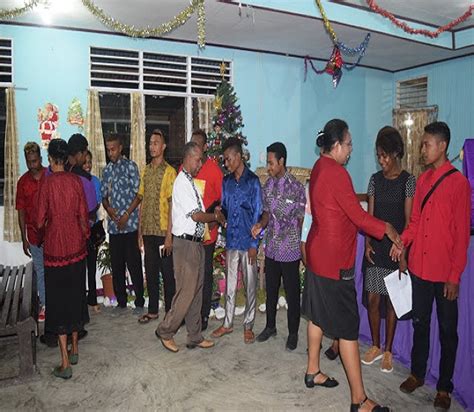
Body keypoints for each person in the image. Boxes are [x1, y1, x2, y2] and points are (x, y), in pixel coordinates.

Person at [303, 119, 401, 412]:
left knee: (318, 316)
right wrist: (388, 228)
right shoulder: (336, 173)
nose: (351, 149)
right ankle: (359, 400)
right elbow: (359, 218)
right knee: (347, 329)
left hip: (318, 253)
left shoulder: (319, 166)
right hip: (335, 261)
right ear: (335, 146)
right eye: (348, 144)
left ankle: (312, 371)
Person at [393, 122, 471, 411]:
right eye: (422, 144)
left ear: (442, 146)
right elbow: (414, 223)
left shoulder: (459, 184)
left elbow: (462, 236)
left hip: (444, 273)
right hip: (420, 269)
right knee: (420, 323)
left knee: (449, 331)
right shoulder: (422, 180)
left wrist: (454, 277)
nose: (422, 149)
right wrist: (401, 244)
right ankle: (417, 373)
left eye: (426, 144)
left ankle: (444, 388)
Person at [156, 142, 219, 352]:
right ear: (188, 157)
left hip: (196, 244)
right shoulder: (182, 182)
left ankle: (194, 335)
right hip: (185, 244)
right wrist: (216, 217)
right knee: (185, 292)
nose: (200, 163)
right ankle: (166, 330)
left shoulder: (190, 182)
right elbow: (197, 216)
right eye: (198, 159)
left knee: (197, 292)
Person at [362, 127, 416, 373]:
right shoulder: (375, 180)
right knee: (373, 299)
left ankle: (388, 350)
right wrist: (367, 244)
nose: (381, 160)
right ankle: (374, 345)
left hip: (396, 250)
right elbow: (370, 217)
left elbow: (408, 221)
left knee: (392, 302)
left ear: (395, 153)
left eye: (385, 155)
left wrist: (402, 252)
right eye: (378, 155)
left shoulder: (408, 181)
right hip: (377, 248)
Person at [36, 139, 90, 379]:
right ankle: (76, 348)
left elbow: (38, 221)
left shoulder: (46, 185)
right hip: (77, 247)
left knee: (58, 305)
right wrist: (84, 236)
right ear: (66, 158)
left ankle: (65, 363)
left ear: (50, 160)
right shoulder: (76, 181)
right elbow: (83, 215)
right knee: (76, 296)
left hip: (55, 251)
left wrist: (45, 230)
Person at [251, 142, 305, 351]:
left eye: (271, 162)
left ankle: (292, 333)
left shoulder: (297, 187)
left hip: (290, 249)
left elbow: (300, 219)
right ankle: (270, 326)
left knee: (292, 293)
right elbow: (266, 213)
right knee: (271, 290)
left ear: (281, 161)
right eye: (267, 163)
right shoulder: (268, 186)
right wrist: (259, 225)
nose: (268, 167)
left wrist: (300, 244)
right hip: (272, 247)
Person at [212, 137, 263, 344]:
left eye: (229, 159)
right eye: (224, 160)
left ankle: (248, 325)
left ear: (239, 156)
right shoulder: (226, 182)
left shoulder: (253, 182)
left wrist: (254, 245)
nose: (226, 163)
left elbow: (259, 213)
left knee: (250, 285)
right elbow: (223, 208)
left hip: (248, 243)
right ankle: (227, 323)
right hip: (232, 241)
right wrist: (219, 212)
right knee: (230, 285)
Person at [101, 134, 145, 315]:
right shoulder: (106, 171)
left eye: (113, 148)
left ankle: (140, 300)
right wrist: (109, 210)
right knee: (117, 265)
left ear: (120, 148)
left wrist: (127, 214)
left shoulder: (130, 167)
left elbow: (139, 195)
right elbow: (103, 197)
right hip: (114, 226)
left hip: (130, 225)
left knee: (134, 264)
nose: (110, 152)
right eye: (108, 149)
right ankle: (120, 302)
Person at [137, 129, 177, 323]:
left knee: (168, 274)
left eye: (156, 143)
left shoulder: (170, 172)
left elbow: (172, 206)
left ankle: (170, 312)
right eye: (150, 143)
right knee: (151, 272)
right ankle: (153, 310)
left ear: (163, 147)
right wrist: (139, 233)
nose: (152, 146)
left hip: (163, 233)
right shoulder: (145, 170)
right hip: (148, 231)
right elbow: (142, 202)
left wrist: (169, 236)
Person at [300, 183, 340, 361]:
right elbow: (306, 226)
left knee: (334, 301)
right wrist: (304, 247)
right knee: (314, 304)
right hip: (315, 253)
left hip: (333, 254)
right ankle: (314, 346)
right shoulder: (312, 189)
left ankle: (337, 342)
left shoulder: (338, 188)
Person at [190, 129, 224, 331]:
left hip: (207, 235)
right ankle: (190, 313)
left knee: (204, 276)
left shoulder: (213, 170)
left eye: (197, 144)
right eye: (191, 143)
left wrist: (214, 220)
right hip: (188, 236)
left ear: (204, 147)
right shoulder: (185, 168)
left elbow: (221, 202)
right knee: (190, 276)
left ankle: (203, 315)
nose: (194, 147)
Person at [16, 142, 47, 321]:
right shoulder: (23, 182)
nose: (32, 165)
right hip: (34, 235)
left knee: (54, 270)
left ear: (40, 159)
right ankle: (45, 304)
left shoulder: (49, 176)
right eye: (29, 162)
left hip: (52, 234)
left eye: (35, 161)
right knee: (40, 270)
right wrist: (23, 238)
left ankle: (57, 304)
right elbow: (21, 211)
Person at [83, 150, 102, 313]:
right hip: (79, 232)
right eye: (85, 162)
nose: (87, 165)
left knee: (92, 266)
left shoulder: (95, 181)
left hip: (92, 230)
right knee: (80, 269)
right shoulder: (76, 180)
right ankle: (80, 300)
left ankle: (93, 300)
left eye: (90, 162)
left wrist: (89, 213)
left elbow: (97, 203)